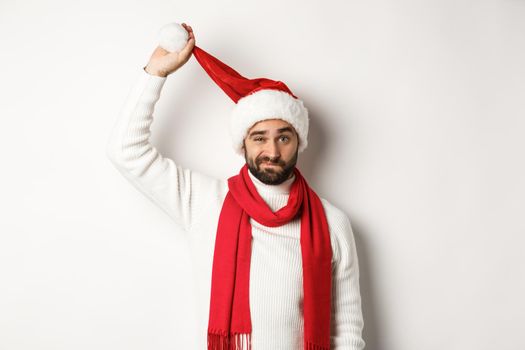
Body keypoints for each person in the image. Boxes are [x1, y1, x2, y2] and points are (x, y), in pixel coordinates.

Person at [106, 22, 365, 350]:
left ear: (299, 141)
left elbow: (346, 330)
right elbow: (125, 151)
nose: (272, 152)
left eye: (283, 137)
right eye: (260, 138)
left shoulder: (331, 222)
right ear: (242, 143)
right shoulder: (203, 201)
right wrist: (155, 73)